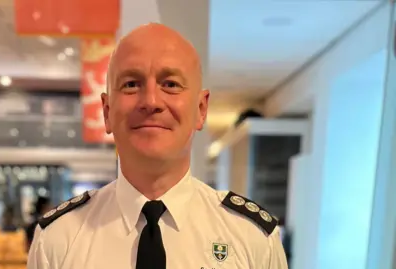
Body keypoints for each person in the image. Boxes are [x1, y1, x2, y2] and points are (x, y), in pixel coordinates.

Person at [27, 23, 288, 269]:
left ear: (200, 109)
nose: (151, 101)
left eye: (170, 84)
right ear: (107, 111)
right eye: (131, 84)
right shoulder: (57, 241)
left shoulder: (252, 238)